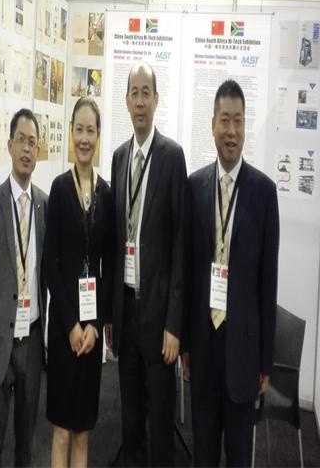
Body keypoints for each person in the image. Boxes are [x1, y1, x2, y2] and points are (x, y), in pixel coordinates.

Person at [185, 79, 279, 467]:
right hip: (203, 349)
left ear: (245, 126)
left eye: (238, 121)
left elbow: (267, 284)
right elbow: (189, 274)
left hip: (243, 353)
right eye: (225, 120)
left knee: (239, 458)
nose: (231, 130)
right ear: (212, 125)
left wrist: (266, 362)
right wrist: (186, 343)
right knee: (204, 455)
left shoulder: (263, 192)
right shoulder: (194, 188)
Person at [105, 62, 187, 466]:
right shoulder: (119, 158)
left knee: (161, 422)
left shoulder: (172, 157)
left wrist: (175, 324)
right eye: (133, 93)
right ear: (126, 101)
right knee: (130, 418)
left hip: (158, 319)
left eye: (145, 93)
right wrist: (109, 316)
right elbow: (114, 242)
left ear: (156, 100)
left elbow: (181, 246)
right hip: (126, 311)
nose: (139, 102)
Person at [0, 108, 48, 467]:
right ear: (9, 145)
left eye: (33, 143)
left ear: (38, 150)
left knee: (26, 443)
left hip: (32, 340)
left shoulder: (45, 205)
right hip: (0, 342)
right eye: (21, 140)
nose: (27, 149)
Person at [44, 97, 114, 468]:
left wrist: (94, 325)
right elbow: (50, 264)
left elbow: (108, 267)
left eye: (91, 130)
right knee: (60, 430)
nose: (85, 138)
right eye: (80, 130)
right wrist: (71, 323)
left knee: (83, 431)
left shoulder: (107, 194)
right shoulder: (58, 189)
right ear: (72, 133)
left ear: (98, 136)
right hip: (64, 327)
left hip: (91, 329)